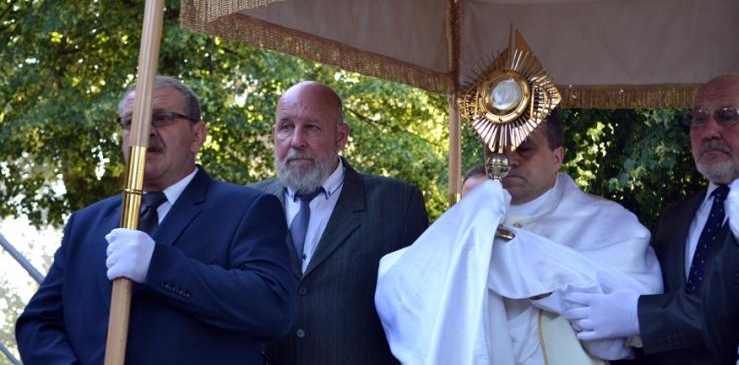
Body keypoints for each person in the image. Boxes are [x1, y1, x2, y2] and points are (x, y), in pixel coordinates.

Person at [16, 76, 295, 365]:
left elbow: (272, 310)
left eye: (162, 118)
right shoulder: (86, 224)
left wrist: (158, 265)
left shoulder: (246, 209)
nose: (145, 131)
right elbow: (37, 324)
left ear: (197, 135)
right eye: (131, 122)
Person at [375, 110, 662, 364]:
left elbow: (635, 317)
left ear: (557, 157)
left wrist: (517, 258)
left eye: (524, 148)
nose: (507, 160)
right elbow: (408, 291)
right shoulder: (464, 225)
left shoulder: (608, 223)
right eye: (494, 149)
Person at [562, 73, 739, 364]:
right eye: (699, 119)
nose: (710, 131)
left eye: (728, 116)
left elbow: (727, 312)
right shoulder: (675, 217)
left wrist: (638, 315)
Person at [251, 81, 429, 365]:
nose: (296, 140)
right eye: (286, 127)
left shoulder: (397, 205)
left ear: (341, 136)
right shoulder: (248, 203)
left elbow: (419, 315)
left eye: (311, 127)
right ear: (274, 135)